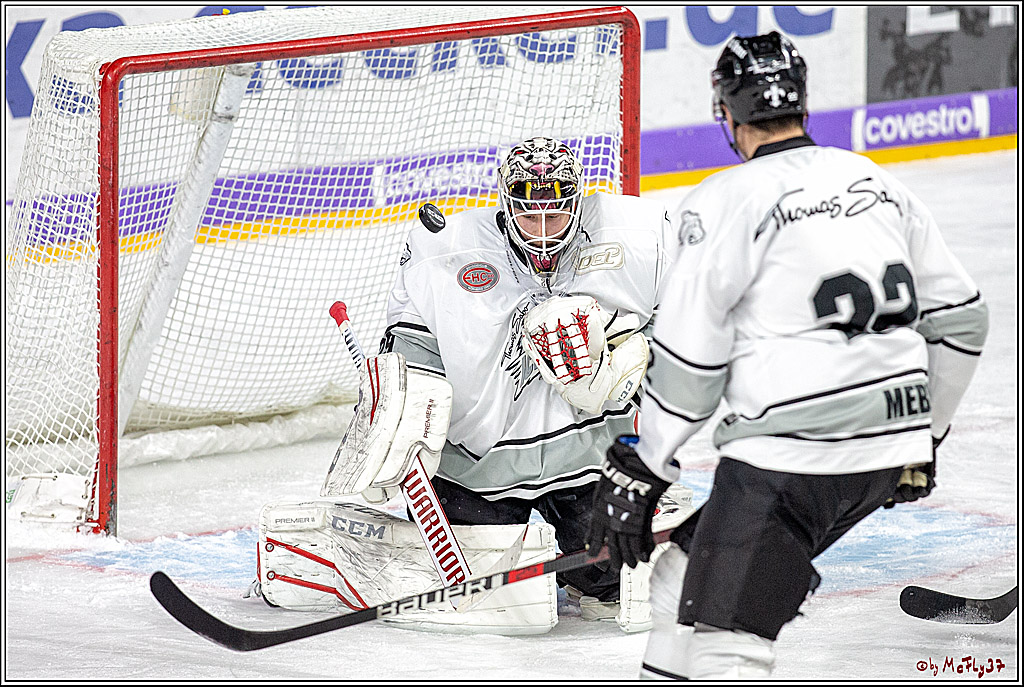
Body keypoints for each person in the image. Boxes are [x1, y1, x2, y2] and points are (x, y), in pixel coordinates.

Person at [585, 31, 989, 678]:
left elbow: (691, 369)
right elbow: (965, 321)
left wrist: (646, 463)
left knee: (728, 642)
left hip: (792, 458)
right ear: (800, 102)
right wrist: (925, 433)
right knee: (676, 583)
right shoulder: (873, 179)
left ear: (727, 112)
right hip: (885, 450)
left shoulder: (720, 201)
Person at [363, 136, 689, 629]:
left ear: (579, 201)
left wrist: (633, 360)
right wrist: (408, 407)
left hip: (590, 457)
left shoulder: (642, 236)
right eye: (528, 215)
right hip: (479, 464)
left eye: (555, 215)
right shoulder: (443, 249)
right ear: (505, 203)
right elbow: (412, 341)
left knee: (614, 581)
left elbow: (689, 324)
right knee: (494, 604)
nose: (541, 231)